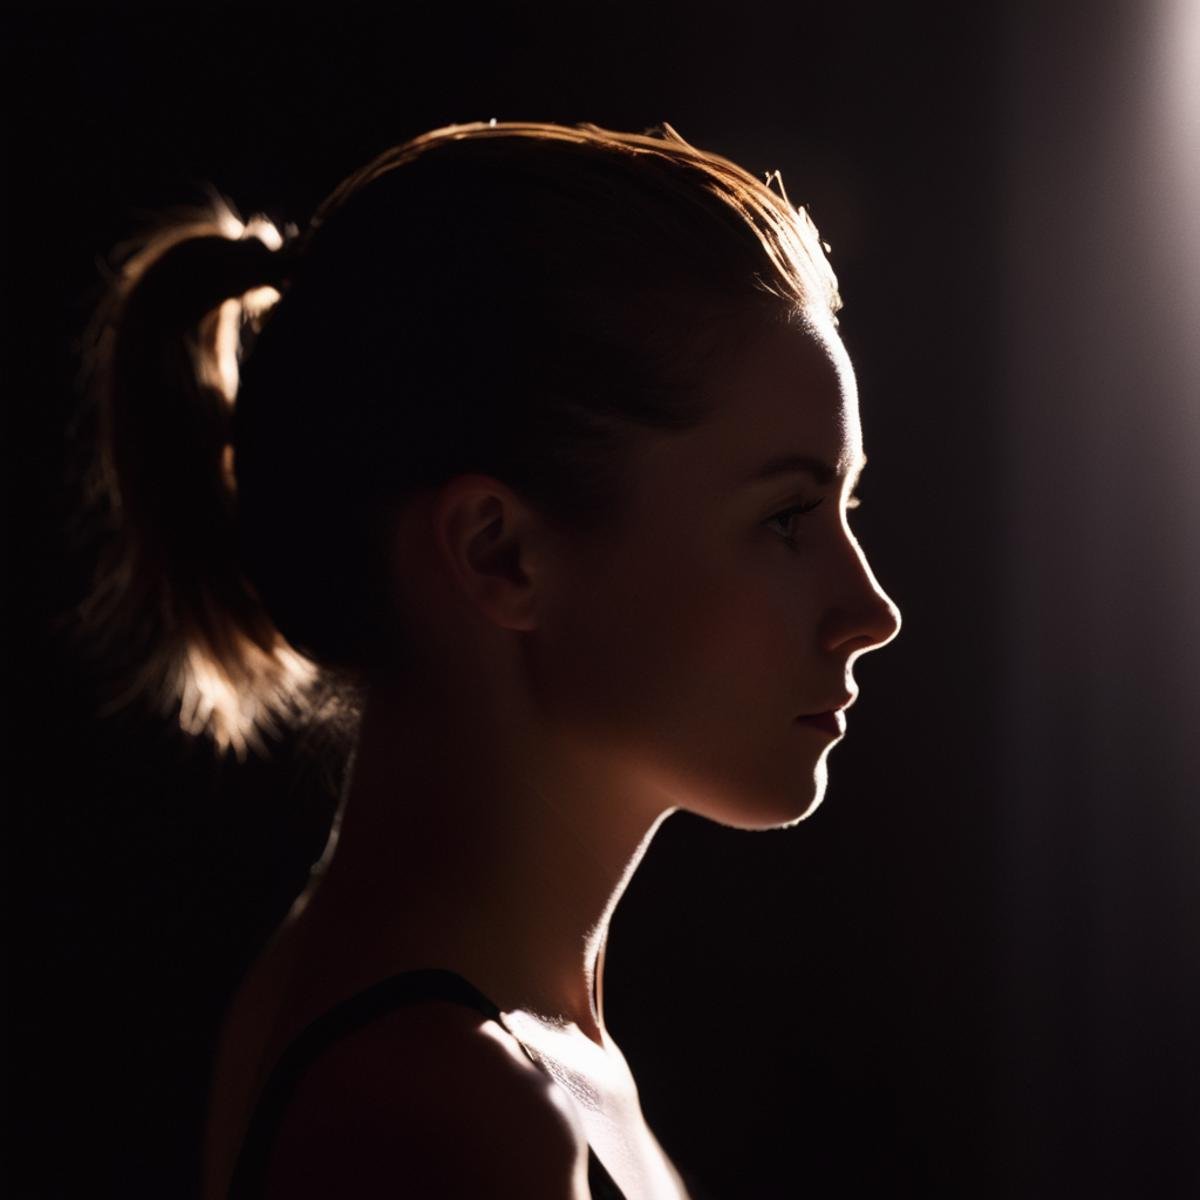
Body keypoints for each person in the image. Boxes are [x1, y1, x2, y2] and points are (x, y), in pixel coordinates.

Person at [76, 120, 901, 1199]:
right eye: (788, 519)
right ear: (498, 554)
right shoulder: (446, 1115)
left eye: (842, 506)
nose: (872, 609)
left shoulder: (471, 1040)